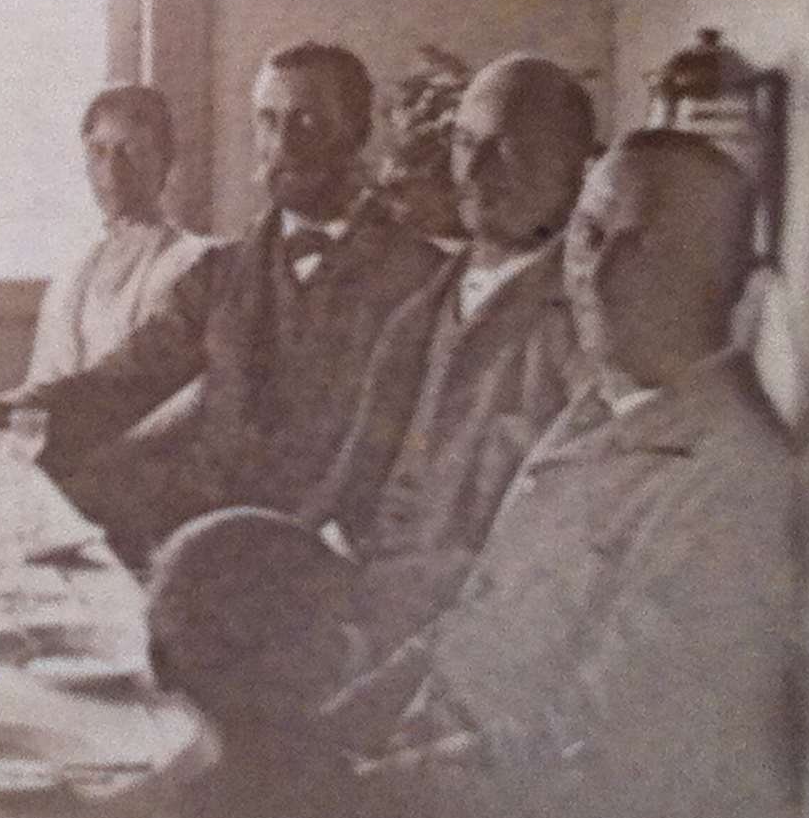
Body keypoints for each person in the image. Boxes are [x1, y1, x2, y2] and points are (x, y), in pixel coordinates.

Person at [308, 129, 803, 818]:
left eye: (643, 242)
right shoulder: (594, 411)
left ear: (724, 276)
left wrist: (363, 797)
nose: (599, 268)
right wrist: (334, 728)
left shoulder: (735, 481)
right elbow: (471, 622)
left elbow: (604, 768)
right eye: (588, 232)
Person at [148, 53, 600, 713]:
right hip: (357, 577)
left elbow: (544, 556)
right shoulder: (432, 297)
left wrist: (354, 618)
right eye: (466, 144)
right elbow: (351, 476)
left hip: (444, 622)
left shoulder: (578, 321)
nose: (473, 173)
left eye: (507, 151)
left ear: (573, 165)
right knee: (191, 584)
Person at [22, 42, 444, 561]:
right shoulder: (223, 272)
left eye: (307, 123)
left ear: (356, 134)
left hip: (328, 554)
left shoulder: (422, 280)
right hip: (197, 534)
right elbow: (116, 385)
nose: (283, 144)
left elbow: (409, 465)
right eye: (268, 121)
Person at [26, 83, 212, 383]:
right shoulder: (72, 275)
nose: (112, 171)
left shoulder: (193, 262)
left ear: (165, 160)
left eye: (132, 152)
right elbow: (40, 386)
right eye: (98, 152)